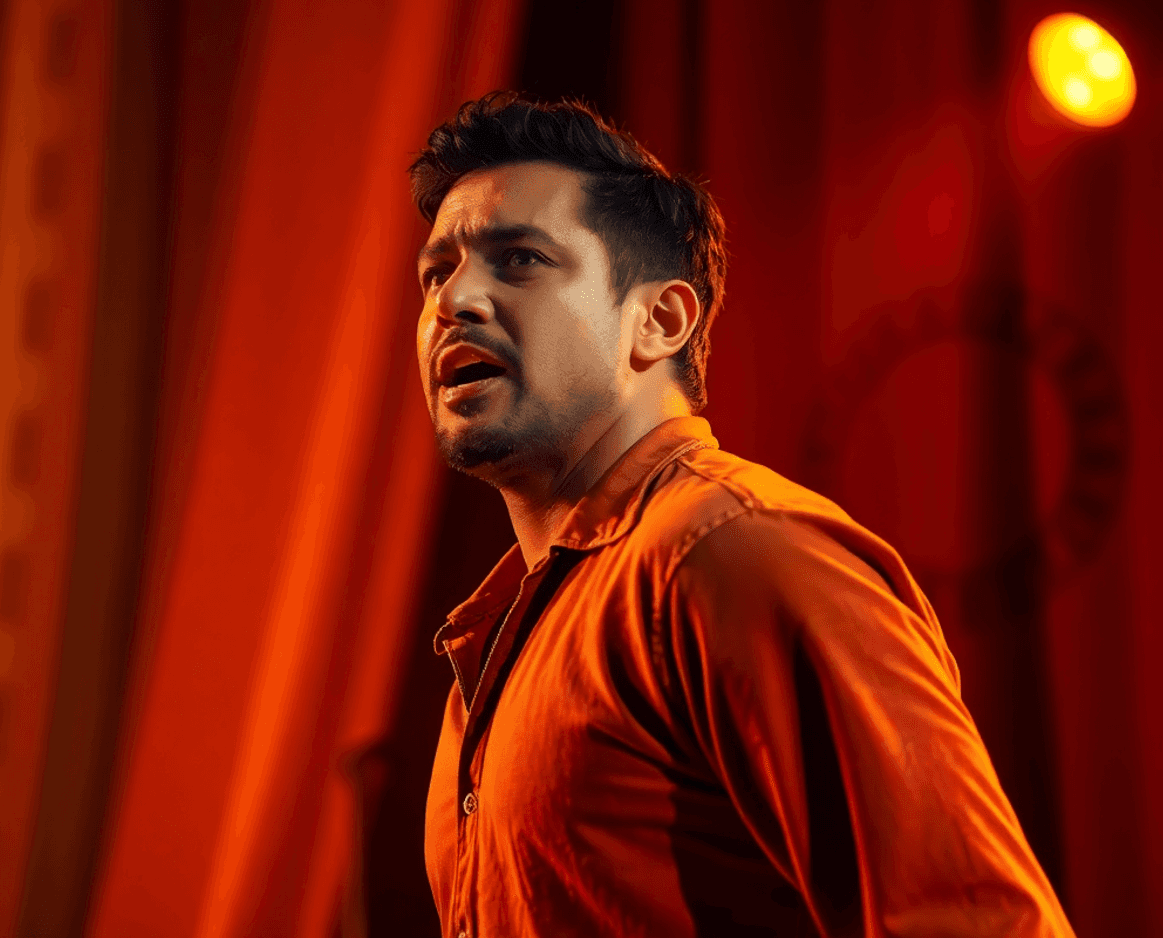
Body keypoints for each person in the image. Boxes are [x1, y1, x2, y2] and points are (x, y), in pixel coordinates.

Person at [408, 92, 1073, 938]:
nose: (453, 301)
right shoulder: (496, 644)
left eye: (521, 260)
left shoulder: (735, 552)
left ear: (658, 320)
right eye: (436, 272)